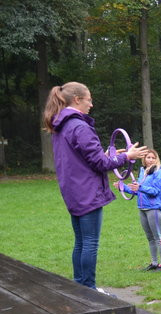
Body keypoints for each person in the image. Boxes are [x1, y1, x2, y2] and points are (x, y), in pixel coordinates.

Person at [42, 82, 148, 290]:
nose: (91, 104)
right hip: (87, 192)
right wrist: (128, 156)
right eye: (89, 99)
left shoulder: (61, 126)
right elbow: (100, 164)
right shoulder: (79, 126)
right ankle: (89, 290)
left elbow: (85, 158)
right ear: (77, 100)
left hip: (73, 191)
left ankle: (79, 287)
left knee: (80, 241)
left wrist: (112, 155)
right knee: (90, 242)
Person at [124, 149, 161, 272]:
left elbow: (155, 191)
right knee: (150, 238)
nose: (150, 160)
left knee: (158, 237)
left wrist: (140, 187)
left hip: (154, 208)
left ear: (156, 159)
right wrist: (122, 187)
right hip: (142, 208)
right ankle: (154, 263)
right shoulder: (143, 171)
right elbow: (137, 191)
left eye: (152, 157)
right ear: (144, 159)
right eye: (148, 157)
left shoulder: (160, 173)